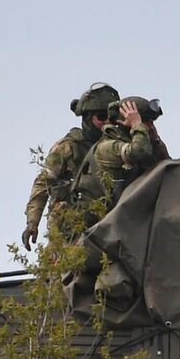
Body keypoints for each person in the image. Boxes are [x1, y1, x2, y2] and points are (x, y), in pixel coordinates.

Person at [23, 82, 122, 249]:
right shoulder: (68, 148)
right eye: (100, 117)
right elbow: (43, 184)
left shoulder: (117, 145)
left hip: (108, 224)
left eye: (110, 116)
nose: (106, 122)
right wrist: (32, 223)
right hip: (70, 229)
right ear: (87, 119)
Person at [74, 96, 170, 213]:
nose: (151, 127)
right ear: (126, 124)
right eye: (146, 122)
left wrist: (155, 141)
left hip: (125, 218)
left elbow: (167, 168)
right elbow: (139, 153)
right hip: (98, 223)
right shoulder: (107, 147)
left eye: (152, 123)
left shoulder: (143, 143)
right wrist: (137, 125)